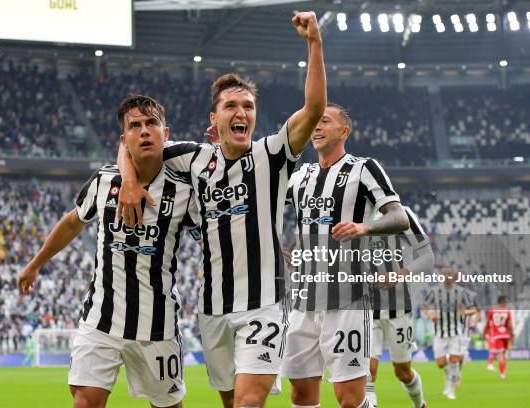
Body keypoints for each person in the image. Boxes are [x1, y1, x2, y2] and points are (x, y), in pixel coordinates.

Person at [117, 11, 326, 408]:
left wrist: (314, 43)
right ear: (215, 118)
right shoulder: (193, 158)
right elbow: (135, 142)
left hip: (262, 305)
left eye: (248, 105)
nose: (241, 112)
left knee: (249, 404)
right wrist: (128, 181)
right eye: (231, 105)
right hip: (213, 310)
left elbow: (313, 108)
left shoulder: (273, 154)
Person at [18, 95, 199, 408]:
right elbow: (73, 222)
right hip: (101, 319)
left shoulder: (184, 191)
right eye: (135, 126)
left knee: (168, 405)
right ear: (124, 139)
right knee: (85, 401)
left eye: (151, 124)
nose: (144, 131)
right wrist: (36, 263)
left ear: (165, 134)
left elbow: (216, 233)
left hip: (156, 325)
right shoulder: (104, 182)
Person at [282, 103, 409, 408]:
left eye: (323, 121)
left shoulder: (364, 168)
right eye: (313, 123)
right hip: (302, 301)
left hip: (347, 300)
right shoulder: (300, 177)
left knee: (349, 399)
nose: (316, 128)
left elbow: (399, 217)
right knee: (301, 394)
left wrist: (364, 228)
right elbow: (262, 202)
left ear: (344, 131)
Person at [365, 206, 433, 408]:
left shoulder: (401, 213)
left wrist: (398, 274)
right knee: (368, 369)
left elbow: (428, 257)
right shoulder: (352, 212)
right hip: (366, 307)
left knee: (402, 372)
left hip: (399, 306)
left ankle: (420, 404)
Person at [422, 267, 477, 400]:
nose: (447, 276)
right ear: (441, 276)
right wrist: (430, 316)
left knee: (453, 361)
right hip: (439, 333)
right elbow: (424, 307)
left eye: (449, 274)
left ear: (453, 276)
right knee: (441, 364)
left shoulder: (461, 292)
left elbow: (473, 309)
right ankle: (451, 371)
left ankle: (450, 389)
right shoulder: (434, 291)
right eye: (444, 274)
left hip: (456, 331)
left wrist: (465, 312)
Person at [484, 295, 514, 380]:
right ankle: (503, 373)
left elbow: (487, 323)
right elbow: (510, 325)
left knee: (500, 354)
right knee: (503, 355)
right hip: (506, 335)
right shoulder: (507, 311)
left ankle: (499, 372)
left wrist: (485, 333)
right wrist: (512, 336)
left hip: (497, 335)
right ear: (504, 302)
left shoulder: (492, 311)